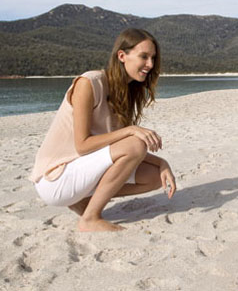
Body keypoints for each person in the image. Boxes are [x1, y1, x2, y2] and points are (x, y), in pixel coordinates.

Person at [30, 28, 176, 232]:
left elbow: (118, 147)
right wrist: (131, 130)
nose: (150, 65)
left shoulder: (125, 92)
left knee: (153, 176)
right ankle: (90, 219)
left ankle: (84, 202)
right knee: (135, 143)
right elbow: (83, 146)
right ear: (122, 56)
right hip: (55, 178)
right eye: (144, 56)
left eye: (153, 58)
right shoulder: (89, 83)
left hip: (81, 172)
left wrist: (162, 163)